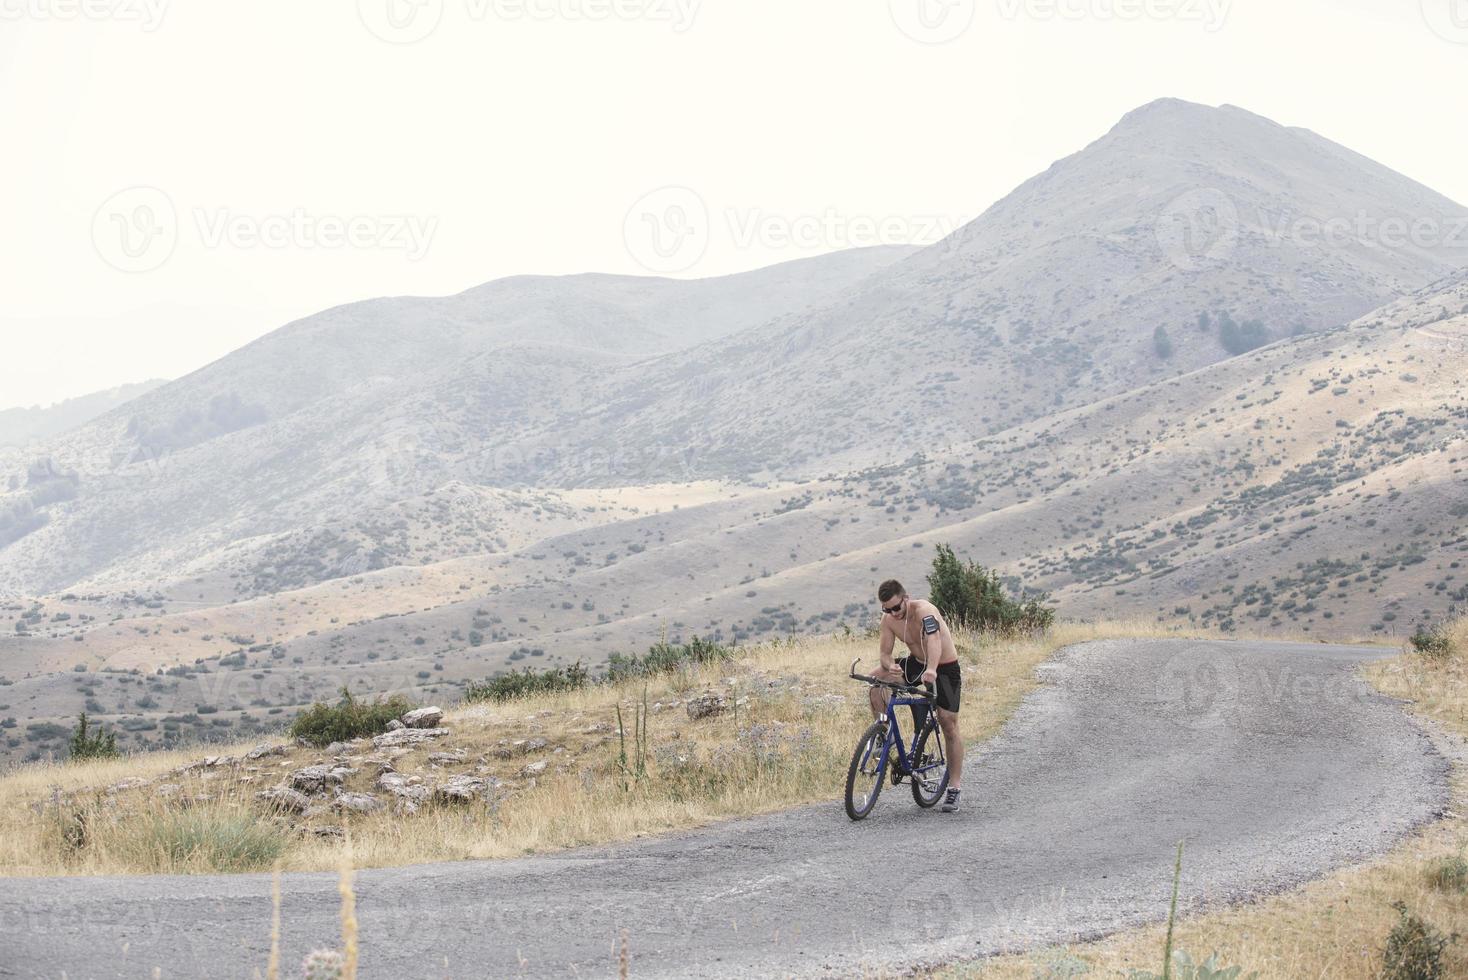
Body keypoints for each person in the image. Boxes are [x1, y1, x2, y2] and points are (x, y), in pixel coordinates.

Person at [868, 578, 964, 812]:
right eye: (887, 609)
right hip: (917, 663)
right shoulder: (889, 620)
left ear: (906, 598)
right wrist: (889, 665)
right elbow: (884, 652)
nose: (893, 613)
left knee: (948, 724)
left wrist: (932, 669)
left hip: (944, 667)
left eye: (896, 607)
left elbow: (933, 640)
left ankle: (954, 787)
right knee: (875, 679)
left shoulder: (925, 611)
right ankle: (883, 732)